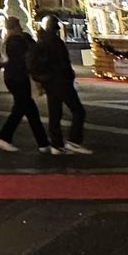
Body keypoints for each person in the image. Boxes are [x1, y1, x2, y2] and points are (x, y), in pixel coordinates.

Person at [30, 16, 91, 154]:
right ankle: (74, 141)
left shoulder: (41, 42)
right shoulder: (56, 43)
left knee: (55, 111)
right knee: (78, 110)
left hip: (49, 81)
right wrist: (69, 75)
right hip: (60, 80)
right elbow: (63, 62)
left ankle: (56, 144)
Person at [0, 15, 52, 154]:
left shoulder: (8, 41)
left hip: (13, 77)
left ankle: (42, 142)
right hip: (18, 77)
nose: (21, 28)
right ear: (14, 27)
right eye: (18, 25)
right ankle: (4, 137)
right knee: (23, 109)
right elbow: (27, 58)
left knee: (26, 110)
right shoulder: (17, 41)